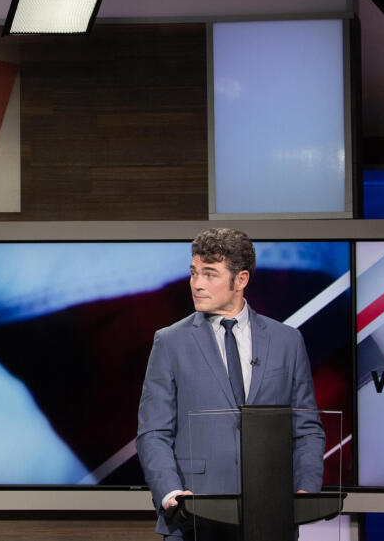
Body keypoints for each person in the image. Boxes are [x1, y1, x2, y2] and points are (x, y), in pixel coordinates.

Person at [136, 228, 324, 539]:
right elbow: (153, 432)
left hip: (270, 515)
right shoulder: (170, 342)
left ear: (241, 280)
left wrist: (306, 490)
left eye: (210, 274)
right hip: (193, 515)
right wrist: (171, 493)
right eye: (194, 273)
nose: (197, 284)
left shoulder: (287, 341)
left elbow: (306, 427)